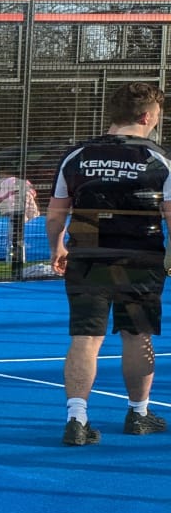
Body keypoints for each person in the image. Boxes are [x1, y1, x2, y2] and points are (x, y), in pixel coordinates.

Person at [48, 82, 171, 445]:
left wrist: (57, 247)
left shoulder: (77, 156)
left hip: (88, 253)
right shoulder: (159, 159)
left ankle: (77, 419)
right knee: (137, 335)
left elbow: (55, 215)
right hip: (140, 255)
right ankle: (138, 414)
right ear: (146, 116)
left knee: (85, 338)